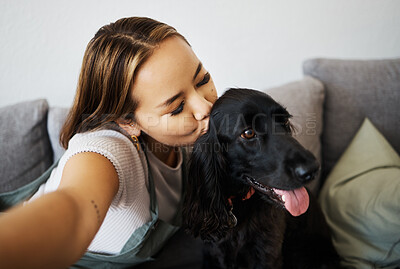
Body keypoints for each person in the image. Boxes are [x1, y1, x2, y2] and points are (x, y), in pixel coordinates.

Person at [0, 17, 218, 268]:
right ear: (127, 121)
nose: (206, 106)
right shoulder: (106, 151)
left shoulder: (195, 136)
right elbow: (76, 209)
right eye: (177, 107)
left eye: (202, 80)